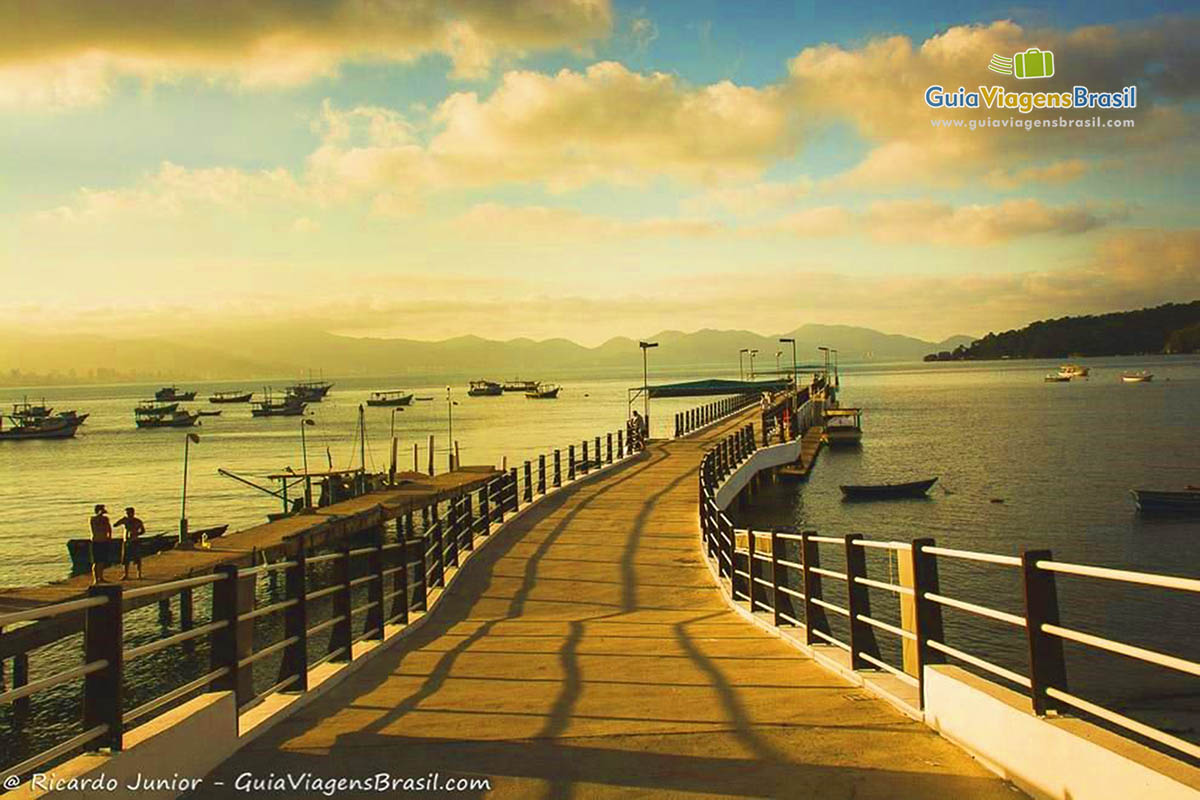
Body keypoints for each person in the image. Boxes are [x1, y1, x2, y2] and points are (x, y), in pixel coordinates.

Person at [113, 506, 146, 580]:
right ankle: (126, 574)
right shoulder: (125, 520)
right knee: (125, 559)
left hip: (135, 540)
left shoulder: (137, 521)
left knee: (137, 558)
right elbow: (115, 525)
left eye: (129, 513)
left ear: (133, 513)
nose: (128, 515)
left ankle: (139, 574)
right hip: (126, 541)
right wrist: (121, 521)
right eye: (127, 513)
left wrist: (136, 533)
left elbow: (143, 530)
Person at [89, 504, 112, 584]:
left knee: (102, 561)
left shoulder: (105, 519)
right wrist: (99, 513)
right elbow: (95, 527)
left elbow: (109, 528)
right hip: (96, 541)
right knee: (96, 561)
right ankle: (96, 579)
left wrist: (109, 537)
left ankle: (101, 577)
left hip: (104, 541)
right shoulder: (93, 519)